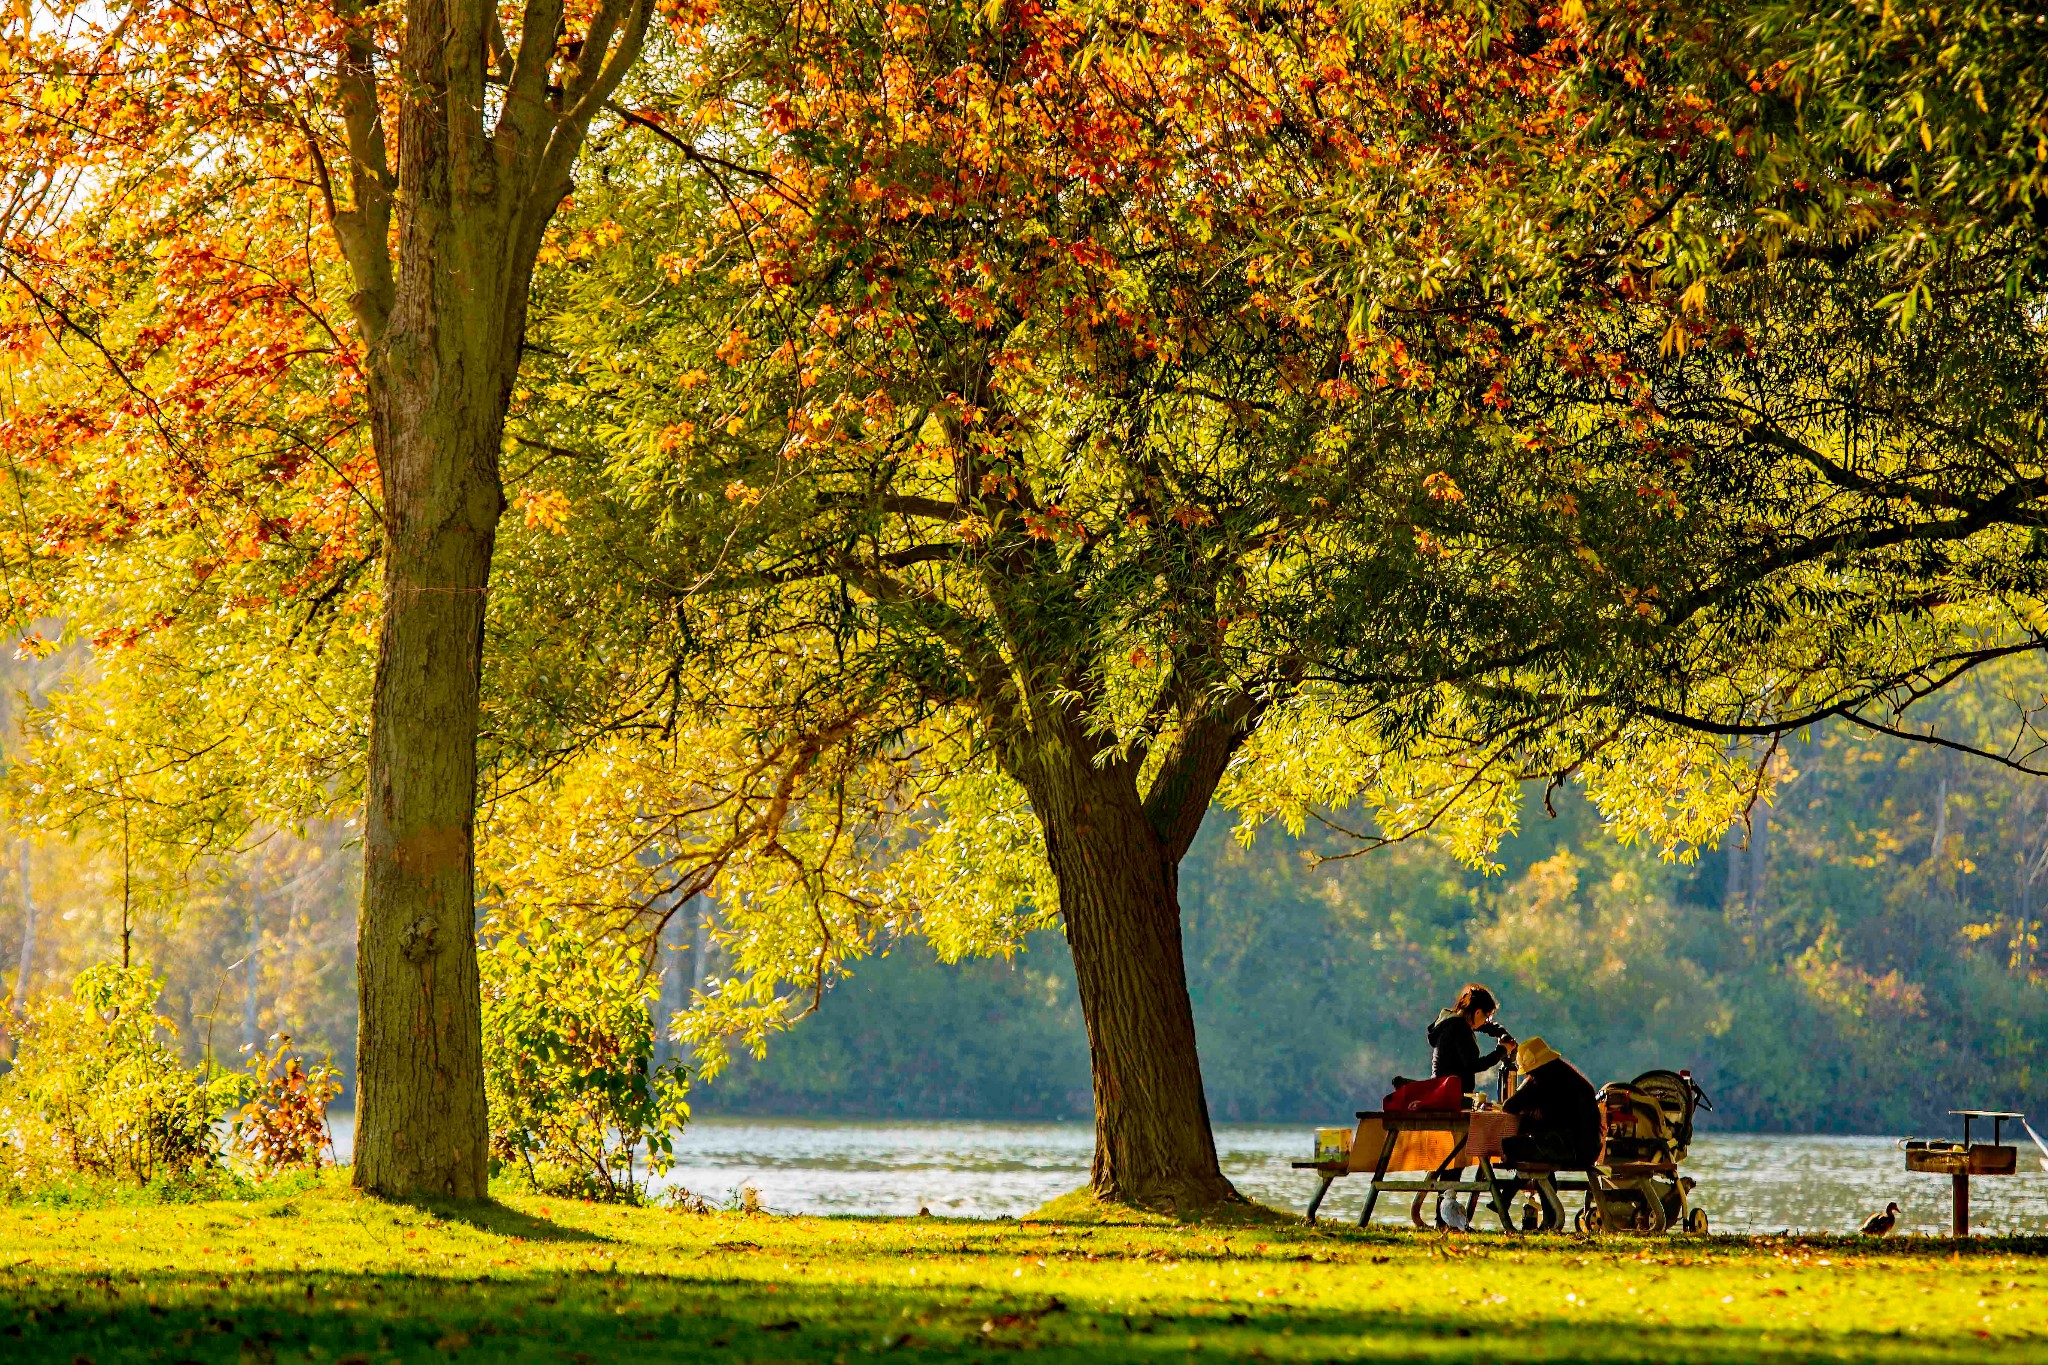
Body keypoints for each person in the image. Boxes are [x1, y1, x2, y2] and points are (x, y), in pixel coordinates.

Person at [1500, 1037, 1602, 1168]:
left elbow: (1509, 1107)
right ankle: (1538, 1186)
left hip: (1567, 1150)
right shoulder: (1574, 1079)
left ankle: (1510, 1187)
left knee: (1508, 1146)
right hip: (1589, 1151)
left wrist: (1526, 1085)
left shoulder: (1542, 1084)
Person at [1427, 983, 1517, 1097]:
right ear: (1478, 1012)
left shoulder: (1450, 1022)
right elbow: (1474, 1065)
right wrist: (1502, 1050)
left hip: (1442, 1092)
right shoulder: (1460, 1028)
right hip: (1451, 1096)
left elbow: (1481, 1025)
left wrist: (1499, 1031)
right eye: (1487, 1017)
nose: (1486, 1021)